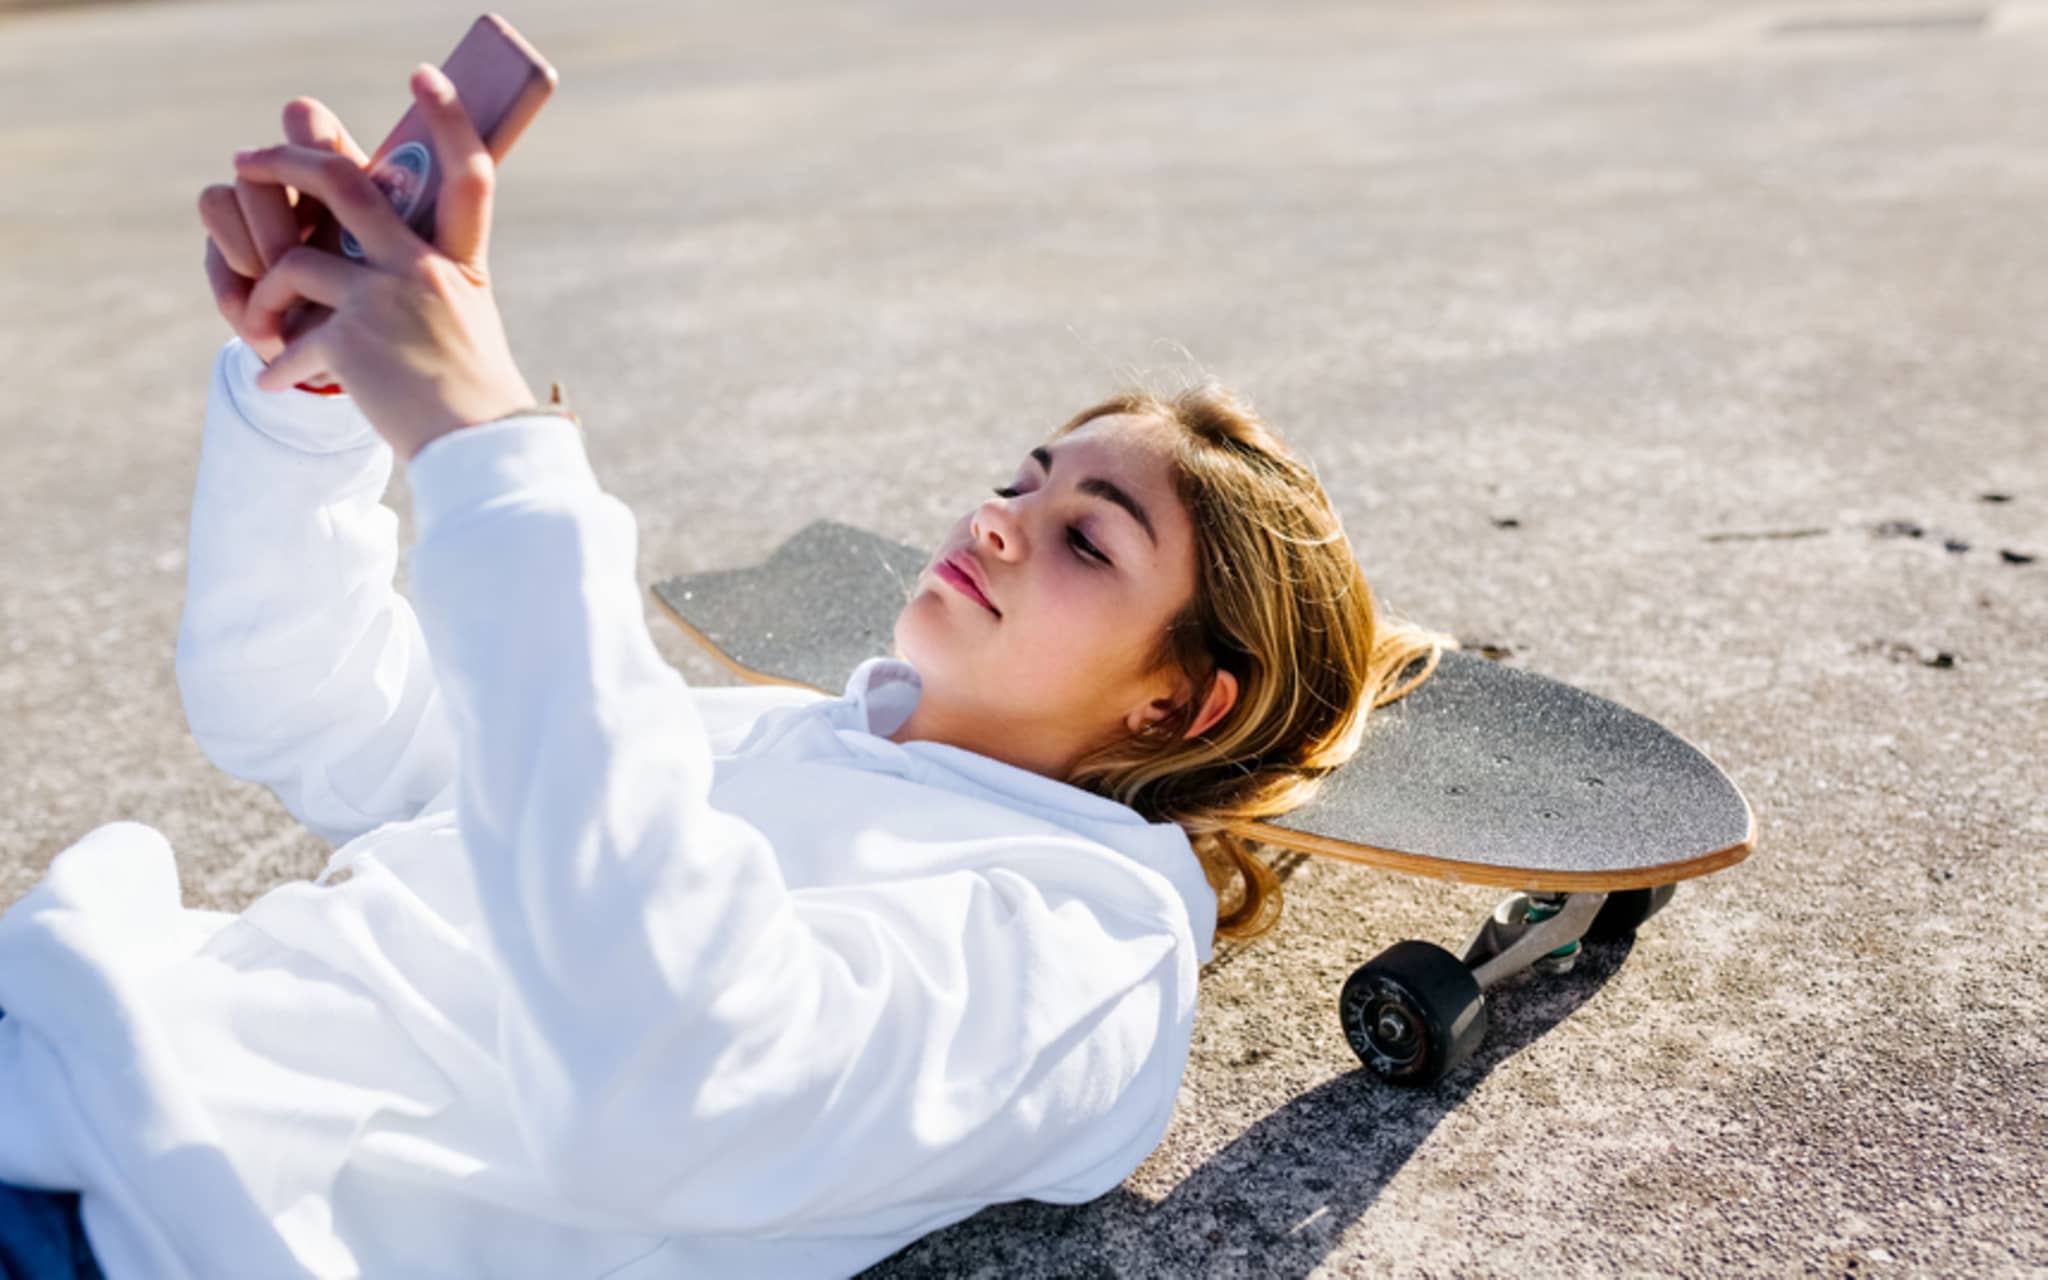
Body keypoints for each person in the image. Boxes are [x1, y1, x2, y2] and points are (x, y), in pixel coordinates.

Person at [0, 65, 1455, 1279]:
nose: (999, 518)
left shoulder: (1088, 949)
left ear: (1177, 702)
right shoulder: (772, 736)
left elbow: (684, 1080)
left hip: (151, 1220)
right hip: (63, 1041)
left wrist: (490, 449)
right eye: (1024, 476)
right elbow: (311, 711)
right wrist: (313, 393)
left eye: (1088, 539)